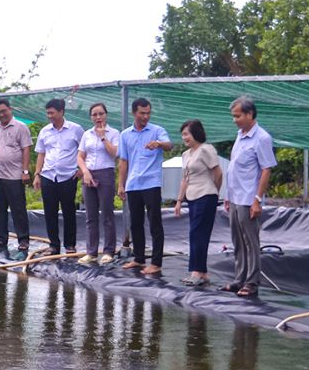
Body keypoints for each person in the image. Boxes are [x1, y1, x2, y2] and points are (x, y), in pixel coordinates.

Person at [221, 96, 276, 297]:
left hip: (248, 198)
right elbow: (235, 167)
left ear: (249, 114)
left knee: (250, 241)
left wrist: (257, 200)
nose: (235, 120)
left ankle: (252, 282)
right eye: (233, 116)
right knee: (237, 239)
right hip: (235, 196)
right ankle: (239, 279)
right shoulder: (240, 135)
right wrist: (228, 195)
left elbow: (266, 170)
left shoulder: (261, 138)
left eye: (238, 116)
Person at [118, 97, 172, 275]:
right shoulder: (125, 134)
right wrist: (121, 184)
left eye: (148, 113)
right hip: (133, 184)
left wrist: (159, 143)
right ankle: (139, 258)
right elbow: (124, 161)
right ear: (134, 113)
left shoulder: (157, 131)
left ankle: (156, 262)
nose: (146, 116)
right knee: (136, 223)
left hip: (151, 182)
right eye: (142, 113)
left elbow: (169, 145)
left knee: (155, 222)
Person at [173, 119, 223, 285]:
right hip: (192, 197)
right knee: (194, 233)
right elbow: (184, 179)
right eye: (183, 135)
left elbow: (218, 173)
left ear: (196, 133)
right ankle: (199, 272)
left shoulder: (206, 150)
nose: (184, 137)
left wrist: (214, 191)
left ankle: (198, 272)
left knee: (199, 233)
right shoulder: (186, 155)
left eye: (186, 134)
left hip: (206, 195)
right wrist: (179, 201)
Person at [0, 98, 33, 252]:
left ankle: (23, 240)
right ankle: (1, 238)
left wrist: (25, 171)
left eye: (4, 111)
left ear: (10, 110)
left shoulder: (20, 127)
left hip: (14, 176)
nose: (1, 114)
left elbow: (26, 150)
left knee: (18, 209)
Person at [33, 98, 84, 255]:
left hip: (68, 176)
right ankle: (54, 245)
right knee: (50, 212)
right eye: (47, 113)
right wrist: (37, 174)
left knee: (68, 211)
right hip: (48, 176)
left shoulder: (75, 129)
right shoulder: (45, 131)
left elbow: (85, 150)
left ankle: (70, 245)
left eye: (52, 113)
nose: (49, 116)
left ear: (61, 112)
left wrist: (82, 169)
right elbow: (41, 154)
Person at [76, 102, 120, 265]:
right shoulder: (87, 134)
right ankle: (91, 252)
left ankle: (109, 251)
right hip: (89, 174)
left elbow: (115, 153)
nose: (98, 117)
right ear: (91, 117)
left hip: (106, 173)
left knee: (107, 214)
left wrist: (103, 137)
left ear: (106, 115)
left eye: (101, 113)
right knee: (90, 215)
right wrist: (85, 171)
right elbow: (80, 156)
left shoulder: (114, 133)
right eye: (94, 114)